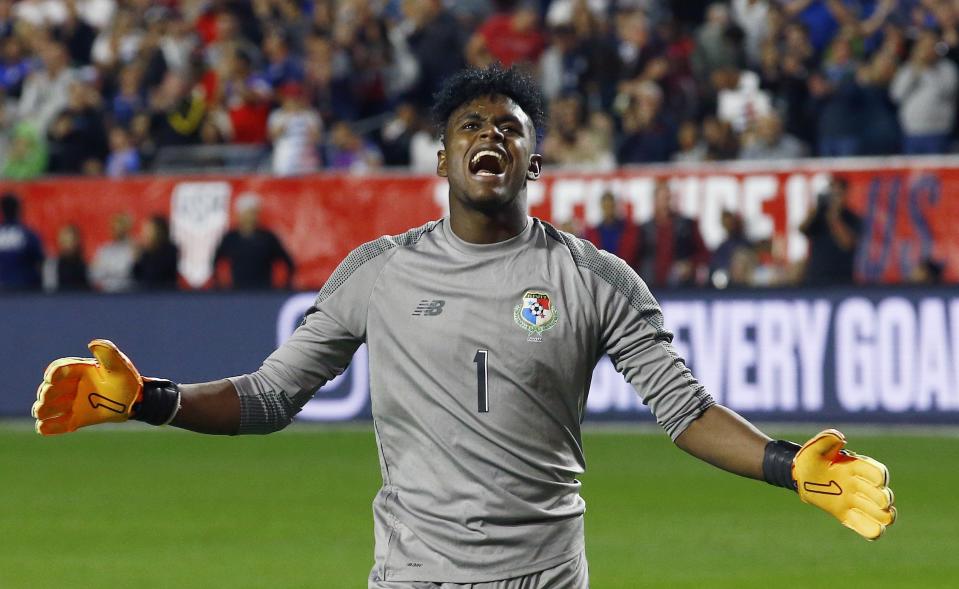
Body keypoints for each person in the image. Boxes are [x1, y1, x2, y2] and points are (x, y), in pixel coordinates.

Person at [32, 66, 895, 588]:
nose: (491, 135)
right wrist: (148, 397)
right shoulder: (378, 271)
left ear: (533, 161)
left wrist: (787, 465)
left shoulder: (593, 278)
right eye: (470, 125)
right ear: (442, 157)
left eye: (509, 129)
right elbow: (268, 394)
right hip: (413, 576)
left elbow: (685, 409)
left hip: (546, 575)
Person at [213, 192, 295, 290]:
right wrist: (219, 286)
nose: (251, 217)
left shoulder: (268, 238)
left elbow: (288, 262)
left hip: (263, 292)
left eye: (254, 213)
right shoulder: (231, 238)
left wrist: (284, 286)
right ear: (240, 214)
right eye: (248, 213)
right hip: (237, 292)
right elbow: (216, 261)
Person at [636, 179, 710, 287]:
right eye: (661, 199)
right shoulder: (644, 229)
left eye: (667, 198)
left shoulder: (687, 225)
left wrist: (690, 264)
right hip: (650, 287)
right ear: (654, 201)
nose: (665, 203)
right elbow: (634, 258)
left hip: (680, 289)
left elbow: (704, 254)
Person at [800, 176, 862, 285]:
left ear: (844, 194)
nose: (833, 197)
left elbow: (847, 244)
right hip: (815, 278)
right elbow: (803, 230)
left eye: (837, 193)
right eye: (831, 193)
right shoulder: (819, 215)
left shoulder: (852, 217)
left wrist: (834, 217)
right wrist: (814, 210)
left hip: (841, 279)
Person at [0, 192, 44, 290]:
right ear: (18, 210)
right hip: (25, 291)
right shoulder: (28, 234)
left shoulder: (28, 234)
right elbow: (40, 260)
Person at [584, 191, 638, 269]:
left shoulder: (627, 230)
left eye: (610, 206)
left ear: (615, 206)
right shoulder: (595, 233)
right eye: (606, 206)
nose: (608, 209)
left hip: (623, 272)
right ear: (601, 207)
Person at [89, 212, 136, 292]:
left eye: (121, 227)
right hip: (107, 293)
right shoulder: (104, 250)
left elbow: (130, 272)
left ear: (127, 228)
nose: (118, 230)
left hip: (128, 293)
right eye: (115, 227)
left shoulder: (134, 248)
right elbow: (95, 273)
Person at [132, 215, 179, 290]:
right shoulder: (145, 253)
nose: (144, 234)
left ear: (158, 231)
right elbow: (137, 277)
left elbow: (156, 275)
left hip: (166, 294)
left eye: (149, 230)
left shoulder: (170, 250)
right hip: (145, 295)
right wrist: (136, 259)